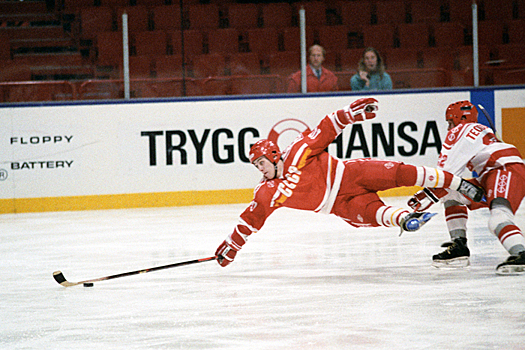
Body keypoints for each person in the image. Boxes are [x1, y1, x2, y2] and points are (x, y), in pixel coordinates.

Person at [215, 97, 485, 267]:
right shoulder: (266, 192)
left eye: (261, 164)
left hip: (350, 173)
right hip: (340, 204)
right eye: (257, 167)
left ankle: (457, 182)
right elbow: (252, 218)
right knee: (370, 212)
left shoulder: (298, 151)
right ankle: (404, 219)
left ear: (273, 156)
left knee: (401, 173)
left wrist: (351, 113)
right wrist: (232, 244)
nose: (260, 171)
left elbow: (325, 129)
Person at [408, 101, 525, 275]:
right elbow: (450, 180)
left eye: (450, 121)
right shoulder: (481, 130)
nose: (449, 127)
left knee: (498, 218)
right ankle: (459, 245)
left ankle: (521, 253)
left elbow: (446, 173)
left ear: (461, 118)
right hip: (494, 173)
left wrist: (423, 199)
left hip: (503, 170)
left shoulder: (459, 130)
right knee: (452, 194)